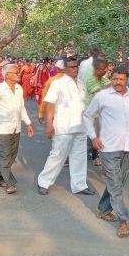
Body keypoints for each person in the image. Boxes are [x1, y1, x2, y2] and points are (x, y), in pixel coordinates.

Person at [83, 66, 129, 239]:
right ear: (111, 78)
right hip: (108, 148)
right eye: (114, 79)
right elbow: (87, 115)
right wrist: (93, 137)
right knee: (115, 183)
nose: (117, 82)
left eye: (121, 79)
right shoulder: (102, 96)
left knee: (118, 182)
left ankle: (103, 209)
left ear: (127, 79)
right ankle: (123, 221)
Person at [38, 56, 95, 196]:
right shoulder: (58, 83)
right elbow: (51, 104)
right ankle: (44, 182)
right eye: (72, 67)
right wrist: (49, 125)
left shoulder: (81, 83)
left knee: (79, 156)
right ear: (64, 68)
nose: (75, 69)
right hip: (64, 126)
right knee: (57, 155)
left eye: (76, 66)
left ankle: (79, 185)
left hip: (80, 126)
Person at [0, 63, 34, 194]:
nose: (18, 74)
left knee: (11, 155)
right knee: (5, 155)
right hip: (1, 128)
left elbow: (21, 108)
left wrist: (28, 123)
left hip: (16, 128)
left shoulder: (18, 88)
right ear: (7, 75)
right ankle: (10, 182)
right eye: (15, 72)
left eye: (18, 72)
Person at [83, 58, 111, 166]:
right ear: (96, 69)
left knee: (96, 136)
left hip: (100, 113)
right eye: (104, 69)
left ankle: (95, 156)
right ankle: (73, 156)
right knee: (92, 137)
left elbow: (110, 87)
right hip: (91, 113)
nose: (106, 71)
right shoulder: (90, 79)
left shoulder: (102, 79)